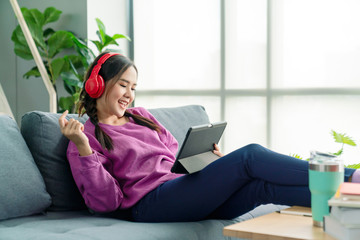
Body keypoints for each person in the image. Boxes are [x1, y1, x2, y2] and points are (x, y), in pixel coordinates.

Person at [59, 52, 360, 222]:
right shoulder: (85, 137)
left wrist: (207, 163)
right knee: (250, 156)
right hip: (149, 204)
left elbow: (171, 164)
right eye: (123, 85)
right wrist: (84, 149)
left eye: (134, 87)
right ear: (99, 84)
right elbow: (106, 202)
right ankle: (351, 177)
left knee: (264, 188)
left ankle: (349, 204)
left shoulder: (143, 117)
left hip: (177, 190)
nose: (129, 95)